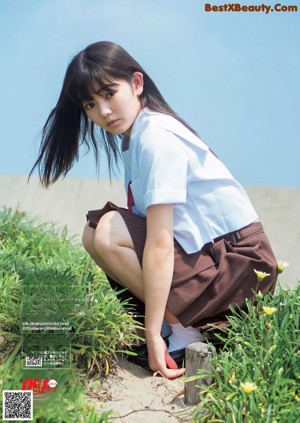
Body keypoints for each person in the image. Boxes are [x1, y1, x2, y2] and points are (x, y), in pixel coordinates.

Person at [30, 41, 278, 379]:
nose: (103, 111)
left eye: (108, 94)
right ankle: (170, 327)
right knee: (95, 230)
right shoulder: (136, 137)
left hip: (236, 265)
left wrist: (150, 331)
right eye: (90, 103)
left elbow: (160, 244)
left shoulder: (156, 137)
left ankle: (184, 332)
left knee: (107, 231)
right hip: (208, 257)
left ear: (136, 83)